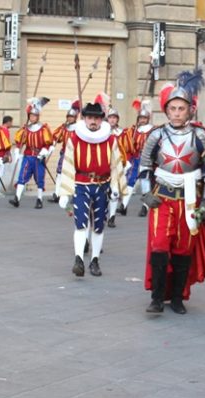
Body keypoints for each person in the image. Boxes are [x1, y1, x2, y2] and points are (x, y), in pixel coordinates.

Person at [140, 69, 205, 314]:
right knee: (159, 247)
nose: (177, 113)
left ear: (190, 109)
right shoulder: (156, 135)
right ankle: (157, 298)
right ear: (166, 110)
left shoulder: (201, 136)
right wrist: (146, 193)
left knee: (182, 250)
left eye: (181, 108)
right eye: (173, 108)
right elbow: (144, 166)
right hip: (162, 200)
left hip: (189, 201)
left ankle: (177, 298)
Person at [57, 99, 123, 277]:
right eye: (89, 118)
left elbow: (116, 164)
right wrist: (65, 191)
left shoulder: (110, 140)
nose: (93, 121)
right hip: (81, 185)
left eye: (96, 118)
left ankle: (94, 260)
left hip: (102, 186)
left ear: (102, 120)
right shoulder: (75, 139)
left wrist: (116, 186)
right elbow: (68, 165)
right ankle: (79, 259)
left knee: (99, 225)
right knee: (80, 223)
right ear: (84, 119)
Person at [10, 97, 54, 209]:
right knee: (22, 176)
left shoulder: (43, 129)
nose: (32, 117)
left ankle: (39, 199)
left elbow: (48, 143)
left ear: (38, 116)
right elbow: (20, 141)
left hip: (39, 157)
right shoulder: (26, 129)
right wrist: (17, 150)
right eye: (30, 115)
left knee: (39, 178)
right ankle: (17, 198)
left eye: (34, 116)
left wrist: (44, 151)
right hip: (28, 156)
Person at [121, 100, 153, 217]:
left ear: (148, 118)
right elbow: (128, 142)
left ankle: (145, 206)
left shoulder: (152, 130)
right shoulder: (134, 130)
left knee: (145, 182)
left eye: (144, 118)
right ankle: (123, 205)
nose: (142, 120)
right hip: (135, 158)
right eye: (140, 118)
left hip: (147, 159)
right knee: (130, 181)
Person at [106, 106, 133, 228]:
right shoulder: (101, 132)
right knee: (103, 193)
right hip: (102, 165)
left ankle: (112, 217)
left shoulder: (123, 133)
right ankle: (101, 213)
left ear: (117, 119)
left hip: (117, 166)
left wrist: (126, 162)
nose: (112, 120)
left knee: (115, 192)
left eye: (114, 118)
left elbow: (127, 149)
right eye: (110, 117)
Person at [50, 101, 79, 203]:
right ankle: (57, 194)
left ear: (75, 118)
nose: (70, 118)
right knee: (59, 173)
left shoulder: (79, 128)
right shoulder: (64, 128)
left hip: (75, 155)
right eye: (68, 117)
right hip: (64, 153)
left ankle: (75, 195)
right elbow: (57, 138)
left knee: (75, 174)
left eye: (71, 117)